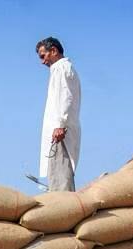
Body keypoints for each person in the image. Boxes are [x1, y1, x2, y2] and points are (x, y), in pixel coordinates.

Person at [36, 36, 82, 192]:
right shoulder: (61, 69)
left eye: (43, 56)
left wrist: (60, 125)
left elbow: (65, 97)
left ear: (53, 51)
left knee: (61, 177)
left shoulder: (61, 68)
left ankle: (65, 209)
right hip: (59, 131)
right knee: (56, 174)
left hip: (60, 133)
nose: (42, 62)